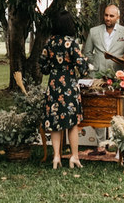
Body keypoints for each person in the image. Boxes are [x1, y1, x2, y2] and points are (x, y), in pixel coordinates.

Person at [38, 10, 90, 169]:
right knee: (72, 122)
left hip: (54, 85)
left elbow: (43, 67)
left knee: (55, 121)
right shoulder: (71, 43)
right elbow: (83, 68)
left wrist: (54, 67)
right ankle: (74, 156)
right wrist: (83, 64)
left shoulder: (49, 43)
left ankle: (56, 157)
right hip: (69, 85)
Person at [83, 4, 124, 74]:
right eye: (106, 15)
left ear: (118, 17)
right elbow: (87, 52)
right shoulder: (93, 31)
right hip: (97, 74)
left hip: (117, 74)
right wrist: (97, 63)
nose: (108, 18)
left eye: (111, 16)